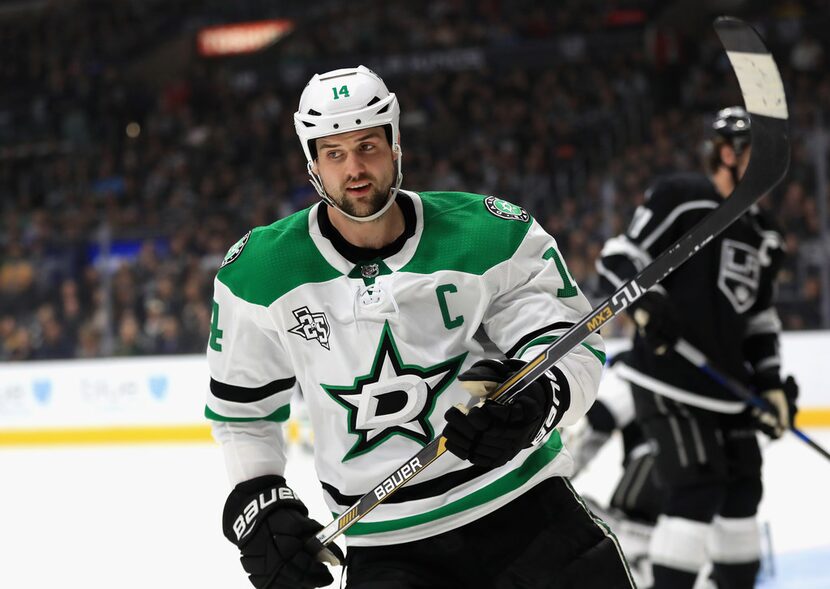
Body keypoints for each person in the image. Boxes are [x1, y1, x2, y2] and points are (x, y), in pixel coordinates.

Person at [205, 65, 635, 589]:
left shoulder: (488, 234)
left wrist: (538, 401)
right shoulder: (260, 273)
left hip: (524, 510)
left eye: (367, 146)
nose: (355, 168)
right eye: (335, 153)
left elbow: (572, 342)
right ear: (312, 163)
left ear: (395, 144)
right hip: (388, 550)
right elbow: (241, 411)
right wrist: (259, 501)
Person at [595, 106, 798, 589]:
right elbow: (620, 255)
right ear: (727, 153)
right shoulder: (685, 197)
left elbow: (760, 318)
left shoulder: (767, 235)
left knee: (743, 497)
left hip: (729, 389)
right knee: (696, 491)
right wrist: (650, 300)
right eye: (757, 153)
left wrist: (769, 386)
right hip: (669, 376)